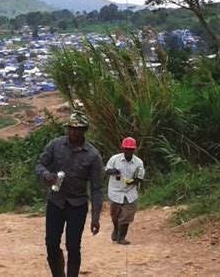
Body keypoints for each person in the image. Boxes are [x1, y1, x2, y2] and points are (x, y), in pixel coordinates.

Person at [35, 110, 103, 277]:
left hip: (77, 205)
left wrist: (95, 217)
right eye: (71, 128)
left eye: (78, 129)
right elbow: (39, 165)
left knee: (73, 246)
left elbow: (97, 188)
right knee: (51, 243)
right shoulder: (56, 145)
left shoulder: (93, 155)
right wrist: (46, 175)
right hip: (56, 201)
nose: (73, 132)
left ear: (84, 130)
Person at [105, 137, 145, 245]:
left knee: (127, 216)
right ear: (122, 149)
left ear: (134, 150)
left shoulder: (138, 163)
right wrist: (114, 171)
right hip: (115, 191)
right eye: (126, 149)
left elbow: (140, 178)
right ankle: (116, 229)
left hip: (130, 192)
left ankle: (121, 237)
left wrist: (132, 181)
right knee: (115, 215)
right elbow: (107, 170)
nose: (128, 151)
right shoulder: (114, 159)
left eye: (130, 149)